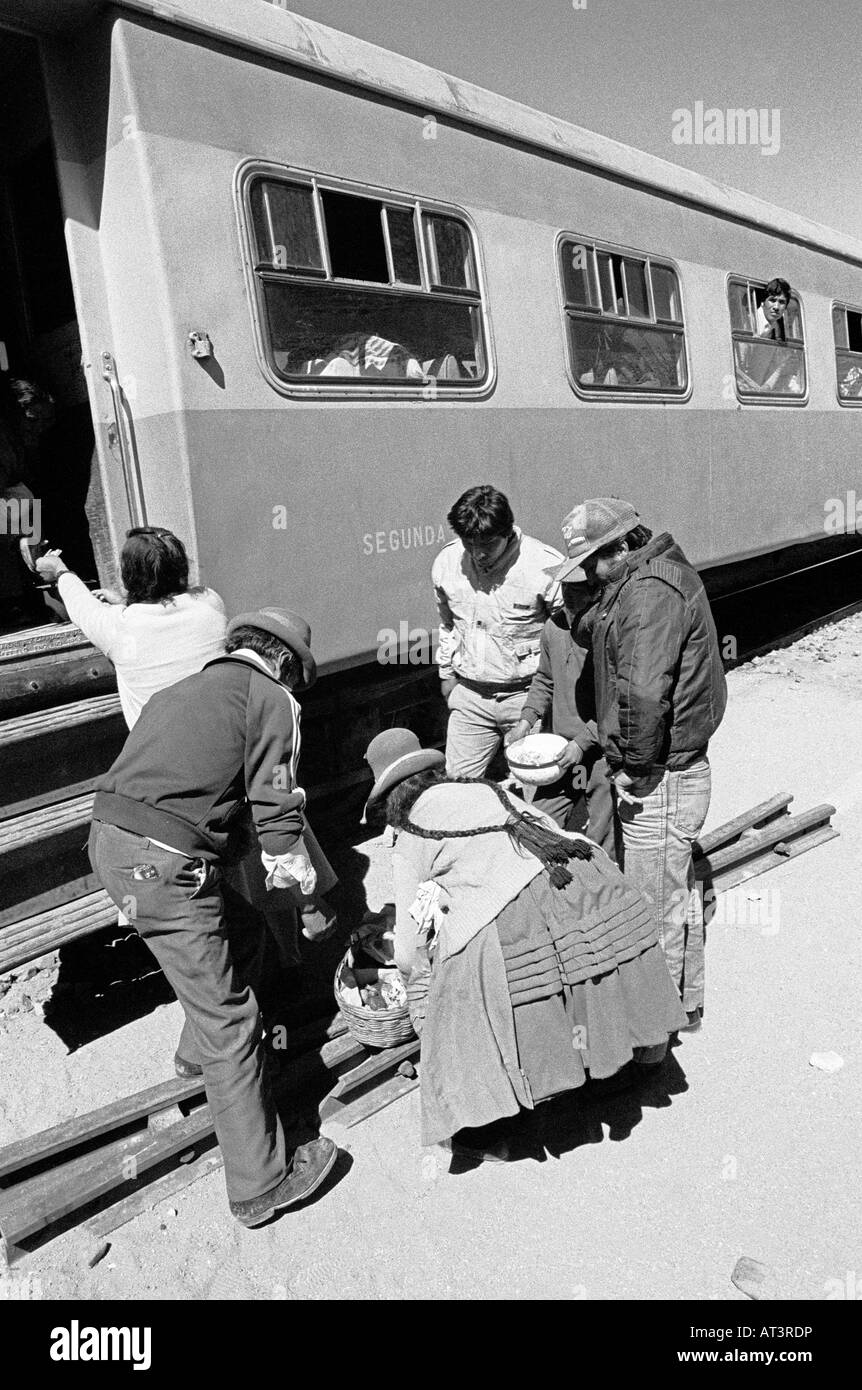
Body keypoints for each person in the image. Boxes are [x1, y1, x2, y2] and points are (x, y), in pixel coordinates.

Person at [88, 607, 338, 1226]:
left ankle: (194, 1060)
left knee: (243, 931)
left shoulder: (184, 688)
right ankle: (261, 1183)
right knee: (232, 1020)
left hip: (112, 847)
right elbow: (277, 813)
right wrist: (308, 902)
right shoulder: (271, 697)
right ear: (283, 663)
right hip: (164, 864)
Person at [363, 729, 687, 1158]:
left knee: (463, 992)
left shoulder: (411, 836)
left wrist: (421, 978)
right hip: (589, 876)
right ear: (433, 773)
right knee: (587, 970)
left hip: (520, 905)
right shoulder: (486, 789)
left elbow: (407, 952)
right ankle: (632, 1061)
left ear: (390, 802)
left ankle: (492, 1119)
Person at [553, 498, 727, 1032]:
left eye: (595, 562)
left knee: (656, 908)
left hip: (662, 773)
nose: (590, 573)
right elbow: (598, 635)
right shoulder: (636, 581)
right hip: (671, 766)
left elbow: (644, 694)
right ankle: (685, 1005)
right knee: (675, 894)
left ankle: (653, 1040)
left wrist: (632, 764)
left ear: (625, 544)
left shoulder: (650, 593)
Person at [35, 527, 227, 729]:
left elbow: (80, 603)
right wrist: (124, 605)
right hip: (223, 739)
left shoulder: (118, 628)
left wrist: (60, 571)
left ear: (127, 576)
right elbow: (165, 621)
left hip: (163, 754)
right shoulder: (210, 602)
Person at [432, 485, 564, 777]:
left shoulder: (545, 566)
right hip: (470, 697)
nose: (477, 554)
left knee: (535, 788)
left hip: (527, 697)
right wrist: (446, 674)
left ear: (507, 532)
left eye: (487, 545)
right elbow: (447, 624)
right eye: (469, 544)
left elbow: (566, 641)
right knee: (458, 788)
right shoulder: (447, 563)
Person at [504, 577, 614, 853]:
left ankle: (604, 883)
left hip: (600, 749)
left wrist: (582, 742)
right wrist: (526, 721)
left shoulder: (604, 630)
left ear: (594, 593)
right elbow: (544, 679)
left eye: (578, 592)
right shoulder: (553, 627)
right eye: (566, 590)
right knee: (540, 822)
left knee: (603, 832)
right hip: (558, 749)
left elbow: (615, 700)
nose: (570, 598)